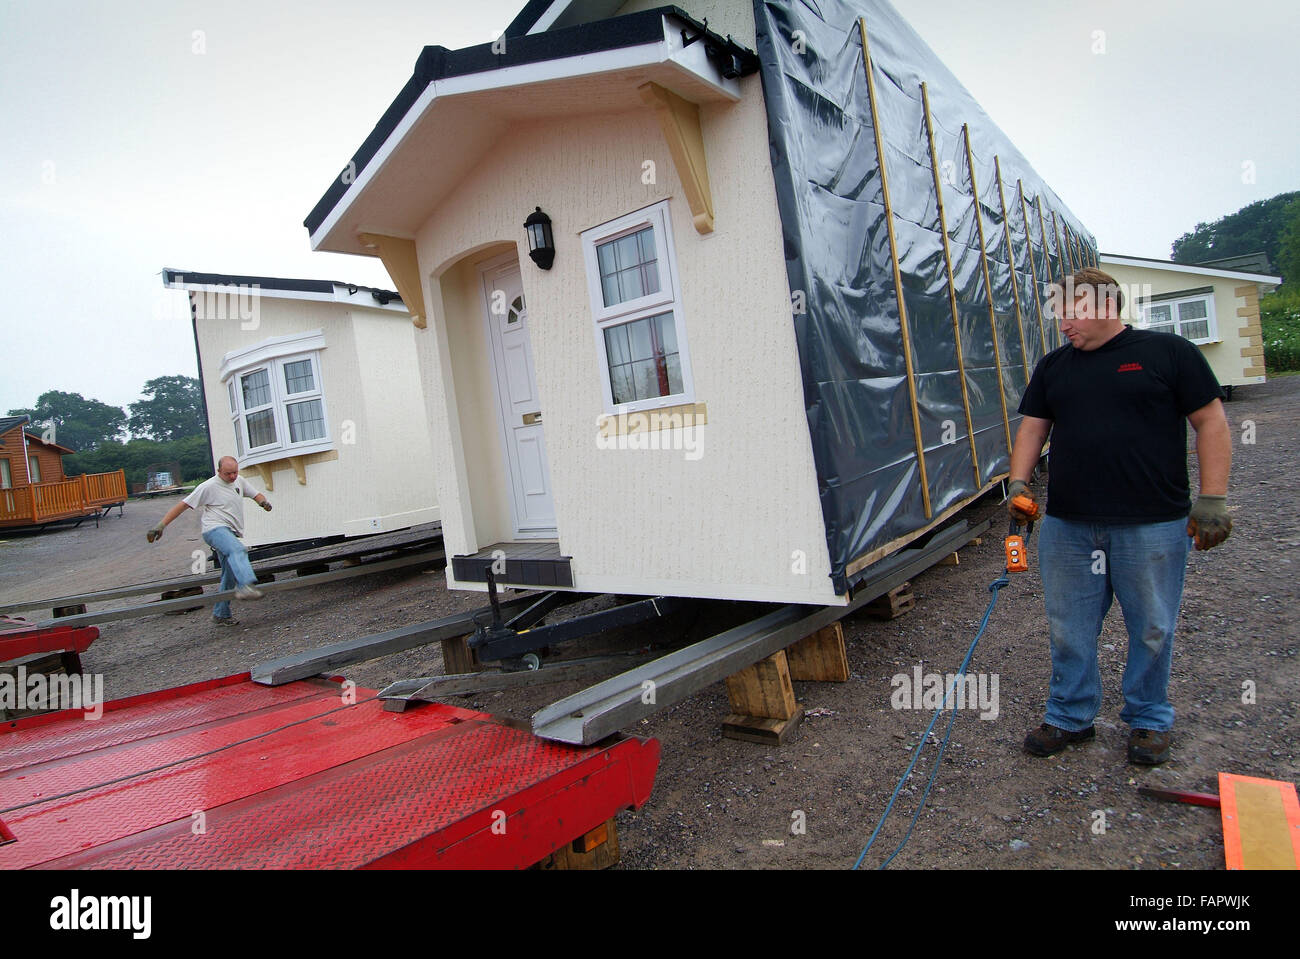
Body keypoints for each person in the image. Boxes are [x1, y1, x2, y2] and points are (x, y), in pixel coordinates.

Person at [1008, 267, 1232, 765]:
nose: (1062, 324)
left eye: (1070, 312)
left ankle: (1149, 718)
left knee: (1152, 624)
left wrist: (1212, 498)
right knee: (1069, 625)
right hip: (1069, 525)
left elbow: (1210, 421)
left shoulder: (1168, 354)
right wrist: (1019, 484)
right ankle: (1070, 715)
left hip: (1152, 523)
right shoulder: (1054, 367)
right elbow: (1032, 429)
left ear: (1105, 307)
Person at [147, 456, 273, 626]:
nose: (232, 477)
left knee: (228, 575)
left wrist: (263, 502)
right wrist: (161, 525)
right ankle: (246, 585)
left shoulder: (239, 481)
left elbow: (255, 494)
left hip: (229, 532)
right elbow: (183, 505)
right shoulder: (208, 487)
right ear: (219, 471)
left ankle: (221, 614)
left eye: (235, 472)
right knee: (238, 550)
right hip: (214, 530)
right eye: (228, 474)